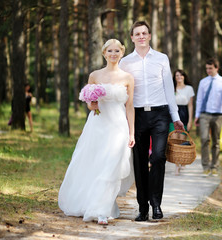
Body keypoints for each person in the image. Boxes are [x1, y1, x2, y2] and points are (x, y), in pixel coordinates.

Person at [58, 39, 135, 225]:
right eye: (110, 50)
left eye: (117, 50)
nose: (114, 54)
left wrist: (132, 132)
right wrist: (90, 104)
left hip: (118, 126)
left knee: (112, 165)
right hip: (98, 124)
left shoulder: (128, 78)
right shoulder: (95, 75)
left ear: (122, 53)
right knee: (96, 163)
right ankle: (93, 203)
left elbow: (130, 106)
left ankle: (102, 210)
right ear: (104, 53)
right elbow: (88, 99)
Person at [119, 20, 184, 221]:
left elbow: (168, 89)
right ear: (132, 38)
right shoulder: (125, 62)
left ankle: (156, 204)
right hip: (136, 116)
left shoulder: (162, 59)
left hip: (160, 115)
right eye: (137, 34)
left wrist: (176, 117)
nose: (141, 36)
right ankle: (142, 208)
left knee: (157, 158)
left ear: (149, 35)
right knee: (139, 162)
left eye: (144, 33)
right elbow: (123, 92)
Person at [194, 58, 222, 176]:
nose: (208, 70)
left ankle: (214, 165)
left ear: (216, 68)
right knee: (204, 139)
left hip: (218, 115)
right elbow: (199, 99)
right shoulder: (203, 82)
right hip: (204, 114)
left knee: (216, 141)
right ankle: (205, 166)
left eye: (210, 68)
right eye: (207, 68)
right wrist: (197, 115)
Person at [170, 69, 195, 175]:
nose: (179, 77)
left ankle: (181, 162)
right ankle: (177, 165)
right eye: (177, 75)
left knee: (182, 140)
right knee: (174, 140)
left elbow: (190, 105)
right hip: (173, 115)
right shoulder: (172, 88)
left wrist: (190, 121)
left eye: (181, 75)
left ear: (184, 77)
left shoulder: (189, 89)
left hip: (184, 113)